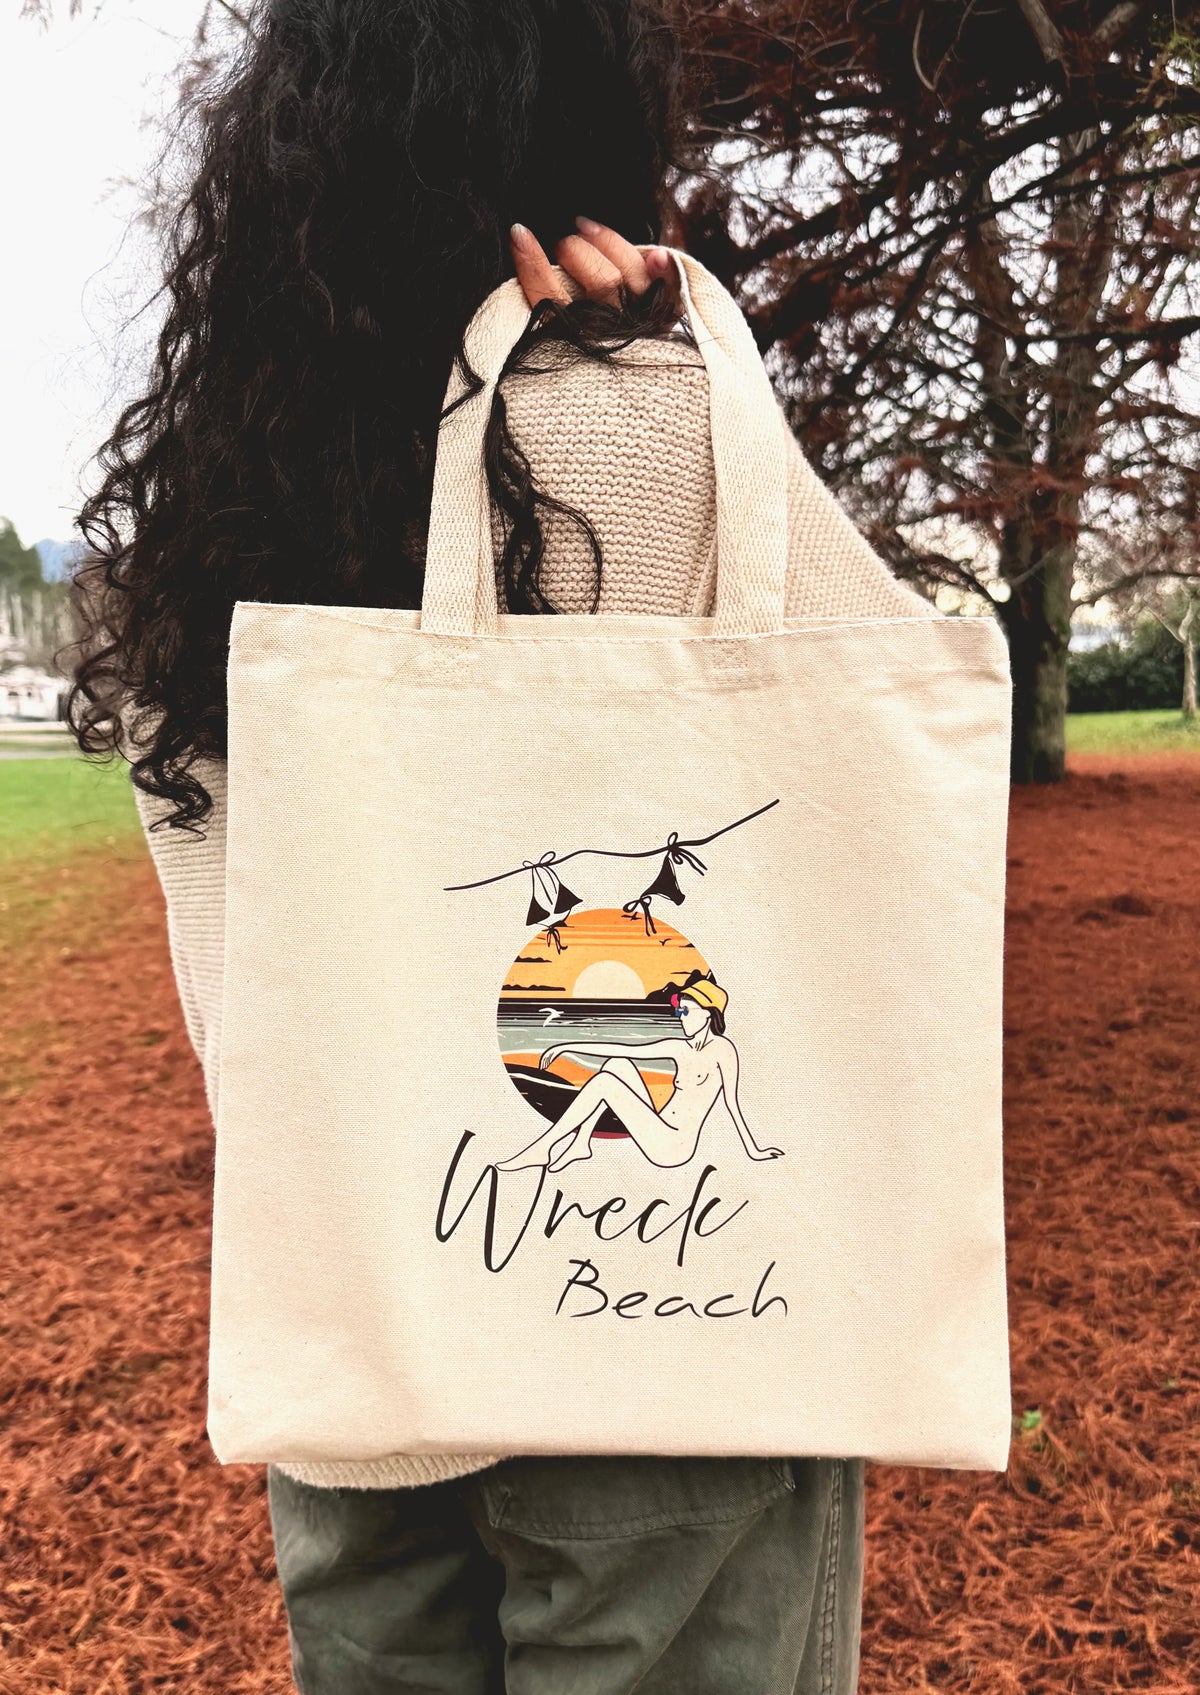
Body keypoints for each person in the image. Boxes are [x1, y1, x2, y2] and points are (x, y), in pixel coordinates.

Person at [66, 2, 936, 1689]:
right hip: (673, 1323)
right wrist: (697, 340)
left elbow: (221, 936)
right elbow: (886, 702)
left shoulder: (215, 508)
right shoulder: (645, 414)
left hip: (363, 1337)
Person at [497, 978, 785, 1171]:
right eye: (679, 1011)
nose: (680, 1017)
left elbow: (732, 1105)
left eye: (685, 1011)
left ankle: (544, 1148)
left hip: (672, 1148)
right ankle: (580, 1143)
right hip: (657, 1127)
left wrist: (754, 1151)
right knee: (617, 1063)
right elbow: (623, 1047)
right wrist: (567, 1045)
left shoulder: (723, 1051)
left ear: (708, 1014)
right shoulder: (679, 1047)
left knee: (606, 1083)